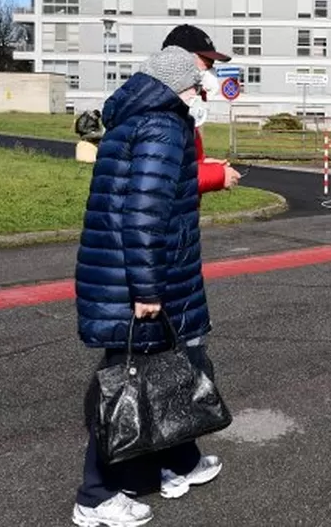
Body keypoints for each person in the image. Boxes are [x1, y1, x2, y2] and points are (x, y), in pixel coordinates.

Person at [73, 46, 222, 527]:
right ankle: (94, 495)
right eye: (196, 86)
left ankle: (176, 460)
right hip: (135, 280)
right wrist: (148, 290)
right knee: (124, 384)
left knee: (159, 371)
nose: (200, 94)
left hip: (123, 274)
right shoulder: (162, 125)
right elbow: (143, 218)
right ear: (177, 86)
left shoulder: (133, 117)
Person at [161, 24, 242, 194]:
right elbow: (162, 179)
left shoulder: (181, 114)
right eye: (206, 66)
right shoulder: (158, 115)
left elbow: (176, 163)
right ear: (178, 63)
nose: (211, 76)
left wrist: (202, 162)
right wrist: (218, 175)